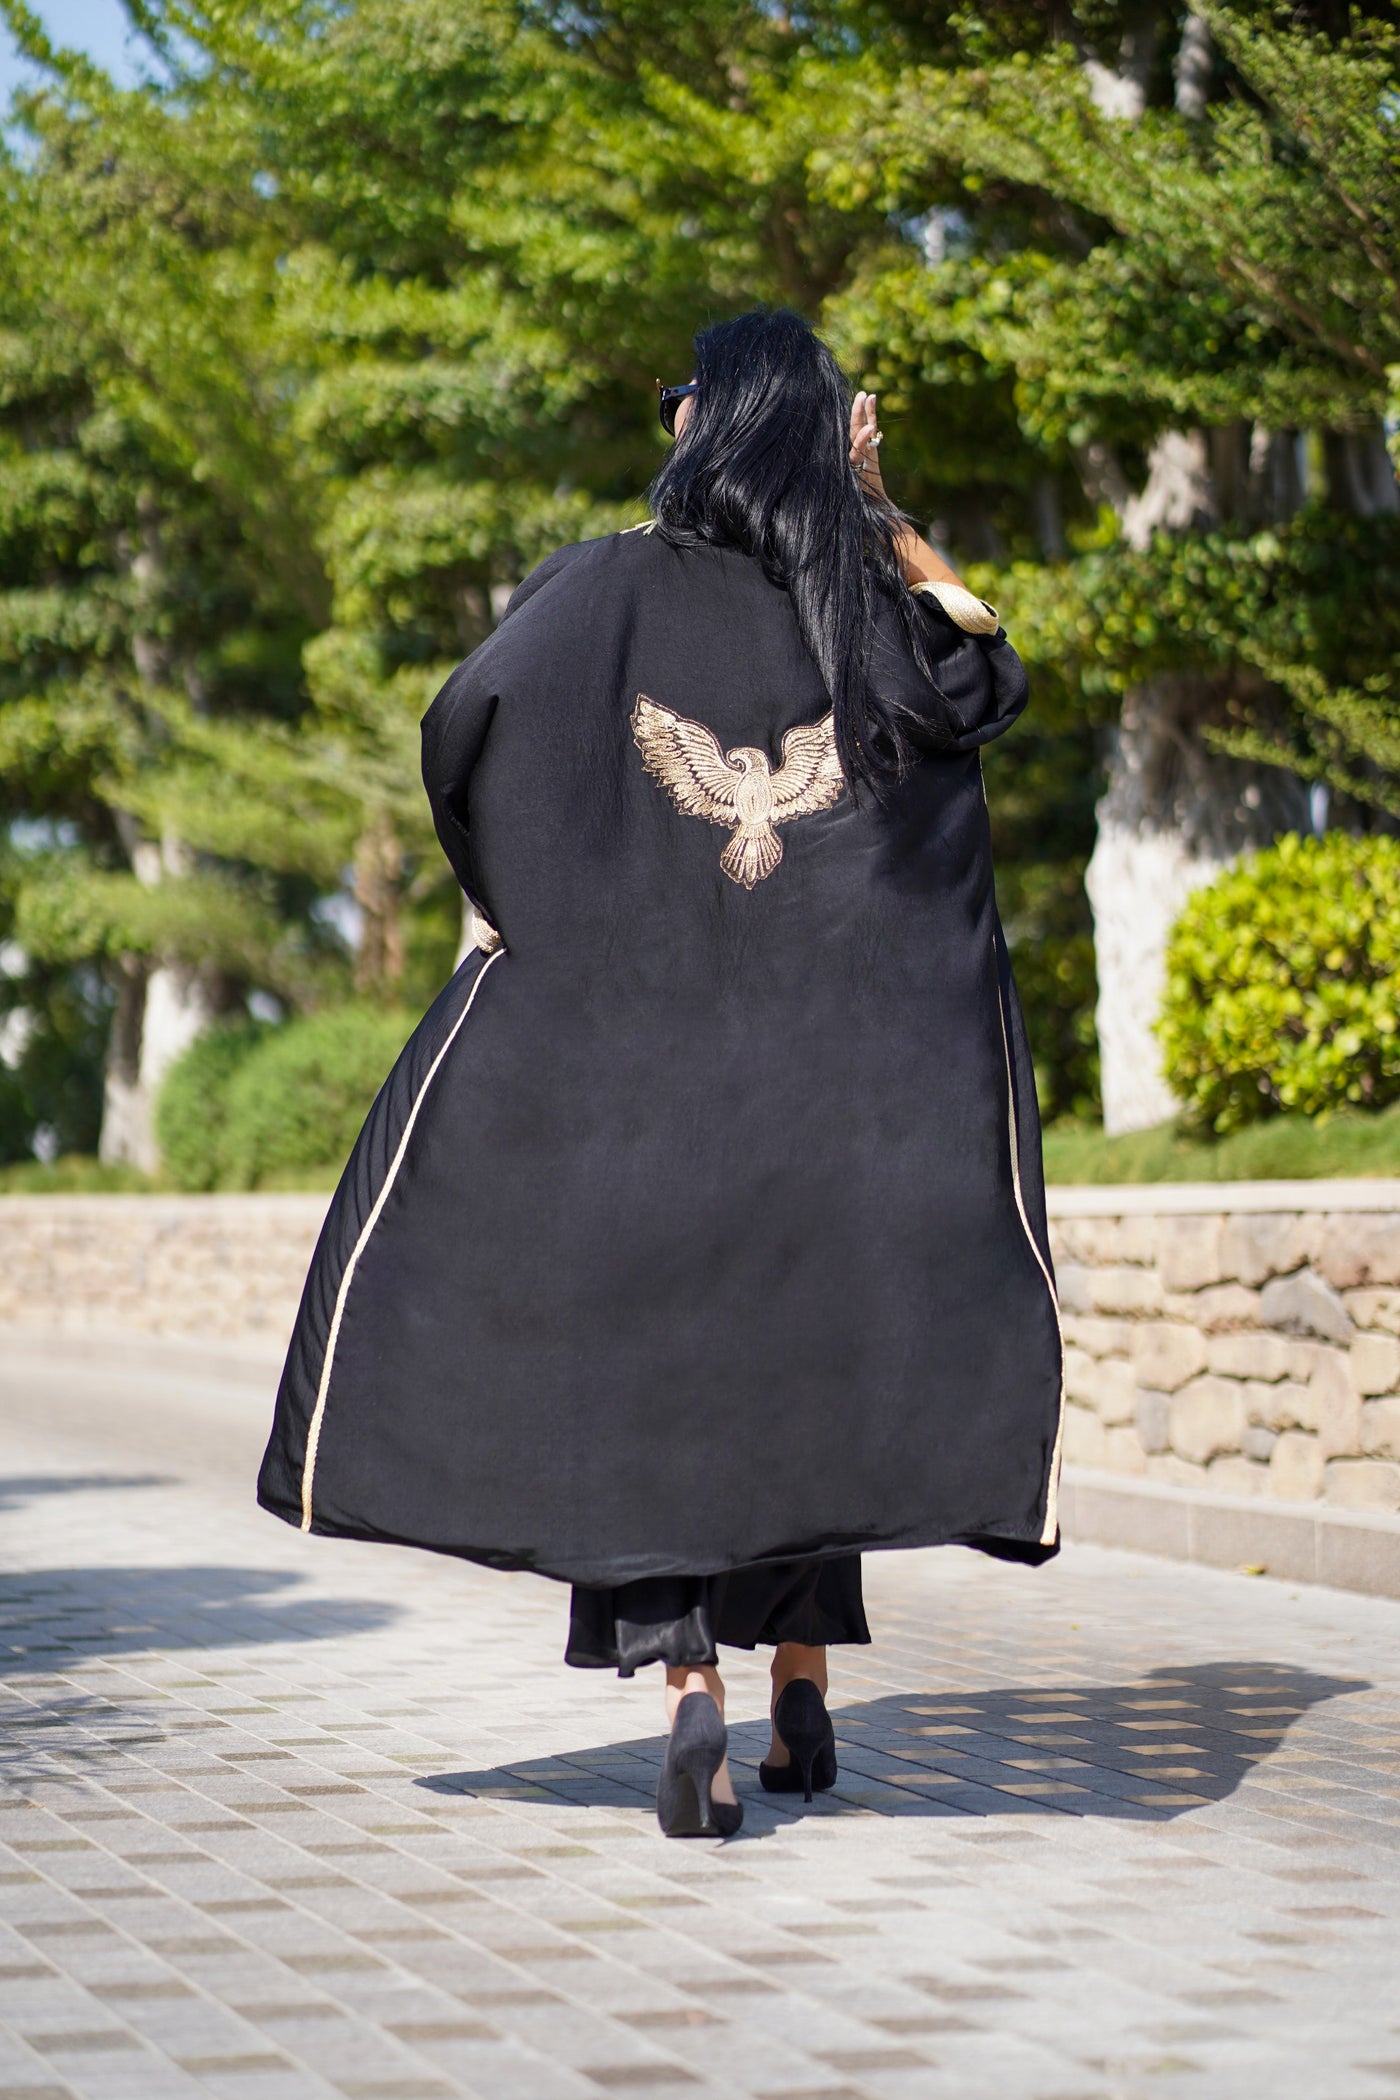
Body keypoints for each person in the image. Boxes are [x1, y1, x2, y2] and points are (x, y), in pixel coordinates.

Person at [258, 306, 1064, 1840]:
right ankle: (803, 1688)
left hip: (645, 1112)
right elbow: (985, 673)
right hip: (822, 1119)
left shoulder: (598, 587)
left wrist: (520, 900)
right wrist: (879, 510)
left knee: (660, 1409)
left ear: (712, 420)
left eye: (681, 400)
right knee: (797, 1384)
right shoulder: (857, 613)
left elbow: (460, 732)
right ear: (825, 432)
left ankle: (693, 1695)